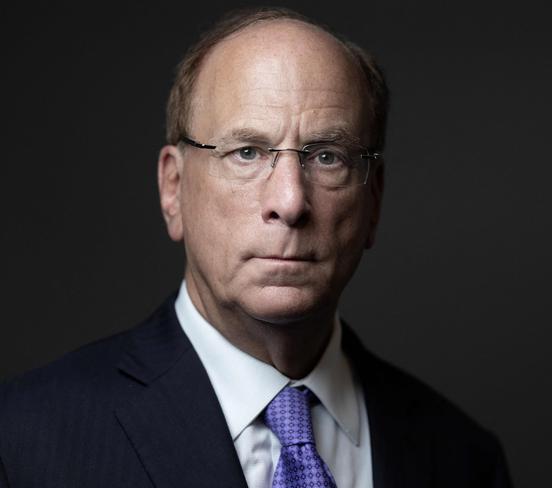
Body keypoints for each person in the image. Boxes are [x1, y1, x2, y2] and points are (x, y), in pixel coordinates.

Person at [0, 7, 512, 488]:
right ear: (173, 189)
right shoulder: (23, 442)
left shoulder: (463, 459)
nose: (289, 201)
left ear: (373, 201)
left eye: (327, 157)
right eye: (247, 152)